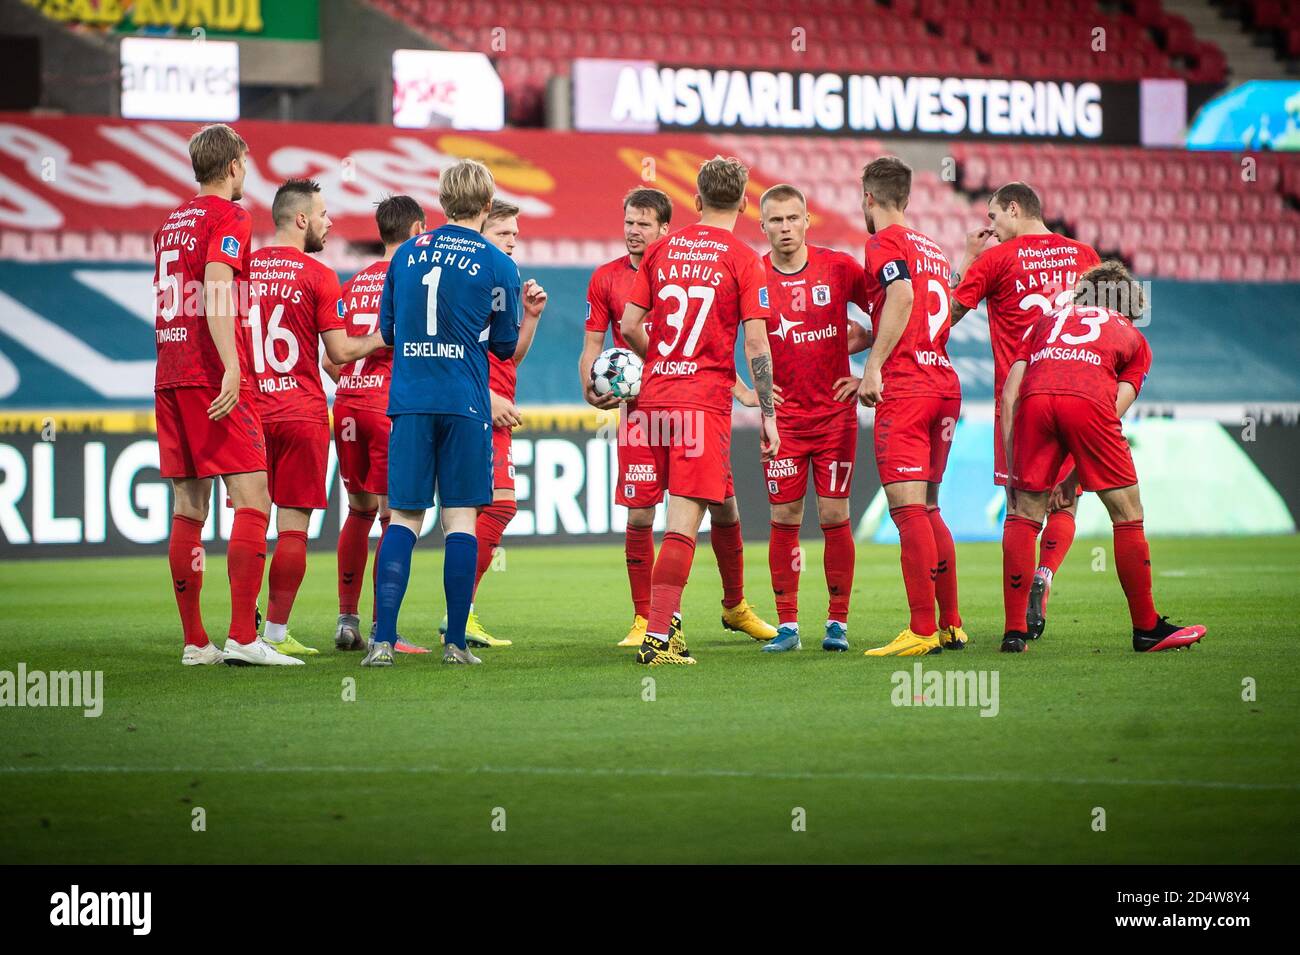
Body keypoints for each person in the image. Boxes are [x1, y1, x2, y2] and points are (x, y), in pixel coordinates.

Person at [586, 188, 778, 649]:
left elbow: (631, 329)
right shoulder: (744, 259)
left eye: (643, 223)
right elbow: (753, 344)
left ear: (693, 202)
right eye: (629, 222)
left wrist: (662, 364)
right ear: (745, 203)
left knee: (723, 505)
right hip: (693, 407)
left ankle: (733, 606)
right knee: (669, 518)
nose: (634, 230)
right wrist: (767, 410)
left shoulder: (659, 256)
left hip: (653, 398)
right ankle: (655, 630)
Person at [1000, 261, 1205, 653]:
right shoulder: (1134, 338)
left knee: (1024, 516)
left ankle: (1014, 633)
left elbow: (1011, 394)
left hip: (1035, 400)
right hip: (1089, 401)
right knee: (1127, 514)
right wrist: (1076, 473)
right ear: (1126, 304)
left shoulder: (1045, 321)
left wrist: (1015, 471)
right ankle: (1146, 628)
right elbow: (1111, 410)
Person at [363, 159, 520, 667]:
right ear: (488, 205)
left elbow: (388, 330)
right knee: (460, 521)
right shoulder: (499, 264)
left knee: (404, 518)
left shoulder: (406, 254)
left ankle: (382, 641)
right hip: (465, 402)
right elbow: (503, 344)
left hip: (409, 399)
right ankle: (454, 643)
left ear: (442, 200)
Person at [153, 123, 291, 667]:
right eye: (245, 162)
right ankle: (243, 635)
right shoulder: (230, 215)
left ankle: (195, 642)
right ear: (233, 166)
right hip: (211, 372)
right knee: (253, 495)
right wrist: (233, 365)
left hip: (170, 370)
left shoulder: (171, 222)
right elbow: (214, 284)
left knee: (189, 503)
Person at [951, 181, 1101, 640]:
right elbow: (1108, 324)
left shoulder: (995, 260)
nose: (991, 230)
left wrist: (968, 260)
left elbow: (947, 314)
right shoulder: (1084, 254)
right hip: (1077, 391)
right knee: (1066, 501)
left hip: (1021, 400)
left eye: (994, 219)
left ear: (1013, 209)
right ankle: (1047, 574)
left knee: (1020, 511)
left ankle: (1015, 630)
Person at [856, 156, 967, 657]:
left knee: (906, 513)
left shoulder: (883, 243)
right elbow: (927, 312)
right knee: (929, 507)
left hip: (906, 387)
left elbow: (900, 295)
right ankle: (951, 624)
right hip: (943, 382)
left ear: (869, 198)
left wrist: (874, 365)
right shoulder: (933, 249)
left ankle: (921, 629)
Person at [756, 183, 872, 653]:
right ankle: (787, 626)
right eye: (775, 220)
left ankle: (837, 623)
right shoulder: (751, 275)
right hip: (782, 421)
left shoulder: (840, 268)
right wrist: (747, 392)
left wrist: (868, 375)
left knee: (834, 514)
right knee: (784, 516)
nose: (785, 227)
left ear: (808, 220)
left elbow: (888, 313)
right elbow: (722, 342)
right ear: (761, 225)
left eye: (792, 218)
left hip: (834, 418)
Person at [325, 195, 430, 654]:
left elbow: (332, 356)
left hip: (346, 403)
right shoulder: (411, 279)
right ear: (415, 231)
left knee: (357, 511)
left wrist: (352, 382)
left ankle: (346, 620)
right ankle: (382, 628)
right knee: (396, 515)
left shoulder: (353, 284)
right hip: (388, 407)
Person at [443, 199, 547, 648]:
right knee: (498, 505)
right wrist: (486, 398)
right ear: (480, 232)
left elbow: (509, 354)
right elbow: (448, 350)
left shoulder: (503, 280)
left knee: (480, 508)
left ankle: (457, 615)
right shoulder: (469, 279)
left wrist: (532, 318)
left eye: (515, 236)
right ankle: (458, 615)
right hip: (475, 404)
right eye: (503, 233)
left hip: (487, 401)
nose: (511, 242)